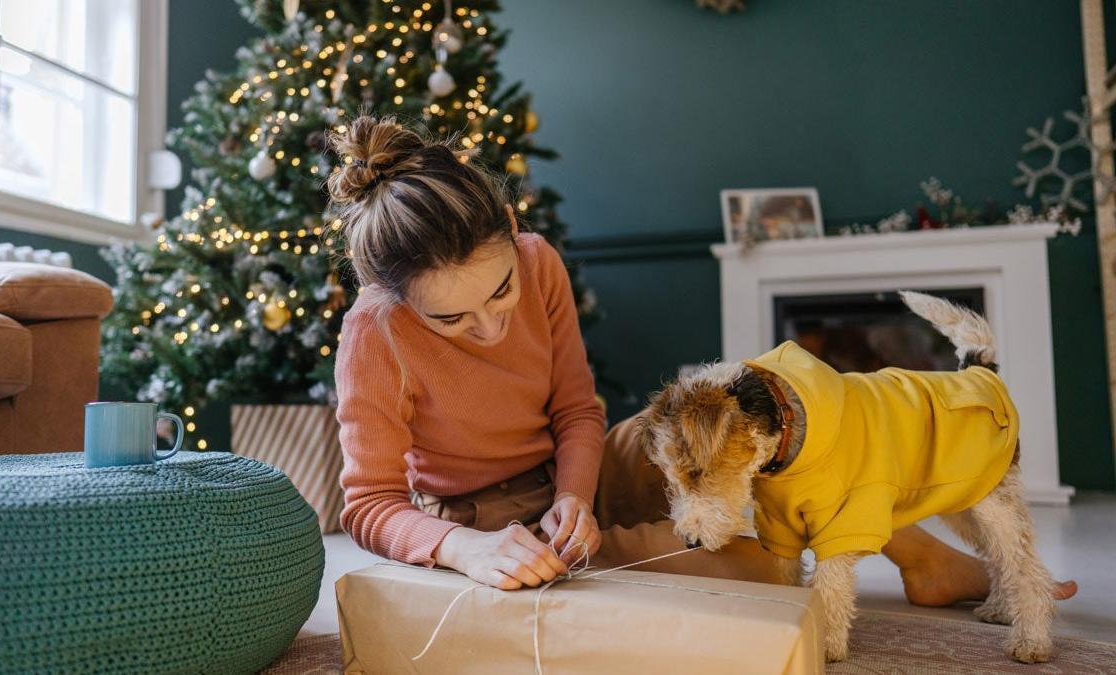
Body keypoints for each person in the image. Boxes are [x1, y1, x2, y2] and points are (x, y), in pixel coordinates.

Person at [329, 114, 1077, 604]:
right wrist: (463, 545)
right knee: (767, 565)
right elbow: (368, 504)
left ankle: (922, 557)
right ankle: (603, 558)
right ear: (392, 297)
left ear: (514, 228)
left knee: (749, 430)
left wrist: (577, 494)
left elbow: (576, 411)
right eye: (453, 319)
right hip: (483, 509)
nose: (492, 328)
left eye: (501, 293)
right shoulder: (374, 335)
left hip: (577, 460)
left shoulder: (539, 259)